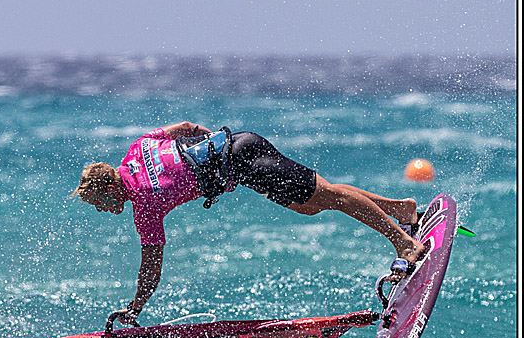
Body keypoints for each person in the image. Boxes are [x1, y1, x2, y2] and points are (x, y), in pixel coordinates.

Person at [72, 122, 427, 326]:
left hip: (243, 162)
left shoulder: (144, 205)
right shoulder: (136, 148)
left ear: (108, 188)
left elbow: (151, 267)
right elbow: (186, 128)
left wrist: (136, 307)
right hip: (240, 147)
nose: (101, 210)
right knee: (313, 204)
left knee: (328, 197)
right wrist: (218, 147)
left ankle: (404, 243)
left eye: (98, 203)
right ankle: (402, 209)